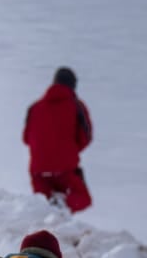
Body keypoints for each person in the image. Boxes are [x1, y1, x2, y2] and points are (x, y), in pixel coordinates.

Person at [23, 67, 94, 212]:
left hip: (38, 170)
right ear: (73, 85)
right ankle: (62, 209)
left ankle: (54, 215)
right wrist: (68, 150)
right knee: (82, 198)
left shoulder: (34, 107)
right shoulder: (76, 106)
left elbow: (26, 138)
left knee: (43, 208)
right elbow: (85, 137)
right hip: (65, 169)